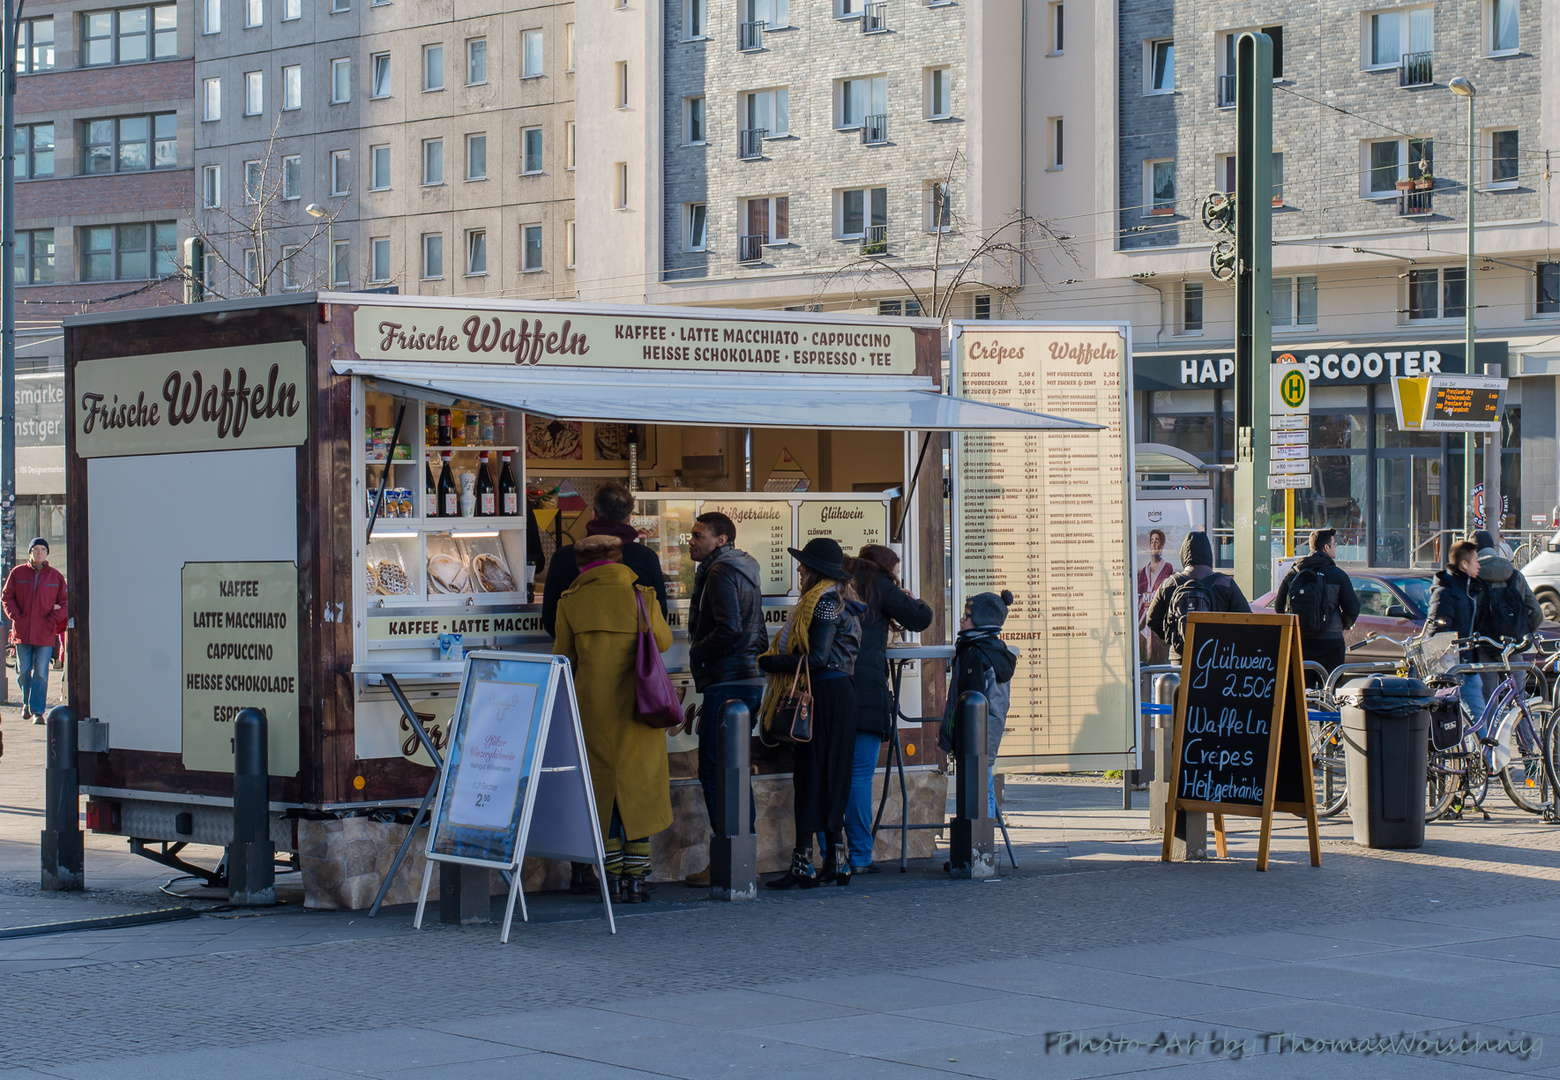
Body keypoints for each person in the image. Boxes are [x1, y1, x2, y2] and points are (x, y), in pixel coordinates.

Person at [553, 534, 674, 903]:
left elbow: (563, 654)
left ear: (581, 565)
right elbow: (664, 642)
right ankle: (636, 878)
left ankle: (609, 874)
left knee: (601, 789)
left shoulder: (571, 602)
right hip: (640, 705)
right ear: (619, 559)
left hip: (593, 708)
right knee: (638, 787)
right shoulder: (642, 596)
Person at [757, 538, 862, 889]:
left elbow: (816, 657)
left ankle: (807, 863)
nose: (799, 568)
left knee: (813, 775)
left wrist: (770, 662)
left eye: (803, 564)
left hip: (823, 696)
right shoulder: (837, 600)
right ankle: (836, 860)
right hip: (836, 695)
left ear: (815, 569)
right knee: (830, 775)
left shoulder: (824, 603)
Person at [681, 511, 768, 888]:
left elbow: (729, 628)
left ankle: (726, 858)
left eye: (699, 535)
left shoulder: (719, 572)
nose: (691, 540)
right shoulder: (743, 567)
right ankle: (743, 853)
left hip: (727, 680)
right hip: (747, 678)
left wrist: (698, 651)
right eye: (692, 534)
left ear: (721, 539)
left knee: (715, 771)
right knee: (733, 770)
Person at [846, 545, 933, 875]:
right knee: (858, 776)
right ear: (886, 569)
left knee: (831, 773)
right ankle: (859, 855)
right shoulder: (879, 584)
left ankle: (829, 851)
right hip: (865, 690)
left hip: (830, 687)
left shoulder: (838, 583)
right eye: (895, 571)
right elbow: (922, 618)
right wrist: (904, 594)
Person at [541, 481, 667, 638]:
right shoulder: (647, 558)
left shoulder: (563, 558)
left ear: (593, 515)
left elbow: (550, 620)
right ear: (629, 518)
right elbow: (660, 616)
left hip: (580, 658)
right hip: (633, 659)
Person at [938, 590, 1017, 820]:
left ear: (982, 622)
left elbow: (968, 702)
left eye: (967, 616)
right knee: (985, 787)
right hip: (988, 734)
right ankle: (982, 847)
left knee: (979, 792)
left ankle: (979, 849)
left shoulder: (975, 654)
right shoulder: (993, 650)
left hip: (976, 737)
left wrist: (952, 736)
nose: (962, 619)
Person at [1145, 531, 1251, 664]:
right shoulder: (1225, 583)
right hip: (1216, 659)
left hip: (1180, 659)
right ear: (1209, 554)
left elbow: (1151, 620)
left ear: (1183, 554)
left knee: (1179, 685)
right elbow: (1247, 620)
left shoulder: (1169, 584)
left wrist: (1173, 637)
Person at [1274, 528, 1360, 673]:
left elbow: (1279, 607)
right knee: (1330, 685)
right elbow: (1352, 607)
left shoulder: (1294, 573)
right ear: (1326, 547)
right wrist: (1342, 624)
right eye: (1334, 545)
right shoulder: (1337, 574)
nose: (1335, 548)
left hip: (1300, 640)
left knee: (1303, 687)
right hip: (1330, 641)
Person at [1472, 529, 1543, 700]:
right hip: (1513, 646)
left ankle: (1492, 727)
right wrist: (1521, 630)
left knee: (1488, 703)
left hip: (1485, 646)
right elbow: (1537, 613)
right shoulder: (1515, 575)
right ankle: (1524, 727)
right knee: (1520, 701)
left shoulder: (1472, 577)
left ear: (1474, 551)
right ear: (1492, 548)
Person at [3, 538, 66, 724]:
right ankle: (26, 703)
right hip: (22, 632)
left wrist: (53, 620)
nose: (39, 553)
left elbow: (65, 603)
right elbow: (6, 597)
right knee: (24, 671)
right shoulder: (18, 573)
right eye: (36, 549)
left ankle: (37, 711)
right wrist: (16, 616)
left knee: (40, 673)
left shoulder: (55, 576)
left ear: (47, 553)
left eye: (43, 550)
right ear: (30, 552)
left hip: (45, 633)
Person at [1428, 540, 1487, 724]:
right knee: (1449, 721)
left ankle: (1481, 753)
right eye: (1476, 560)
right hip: (1452, 668)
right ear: (1464, 564)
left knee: (1479, 717)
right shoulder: (1445, 592)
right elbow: (1436, 632)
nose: (1479, 565)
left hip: (1468, 666)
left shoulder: (1469, 590)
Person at [1136, 529, 1174, 664]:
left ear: (1162, 545)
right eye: (1151, 541)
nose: (1153, 544)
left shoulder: (1167, 568)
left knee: (1158, 657)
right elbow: (1139, 598)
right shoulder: (1143, 572)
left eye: (1157, 541)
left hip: (1157, 621)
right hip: (1142, 624)